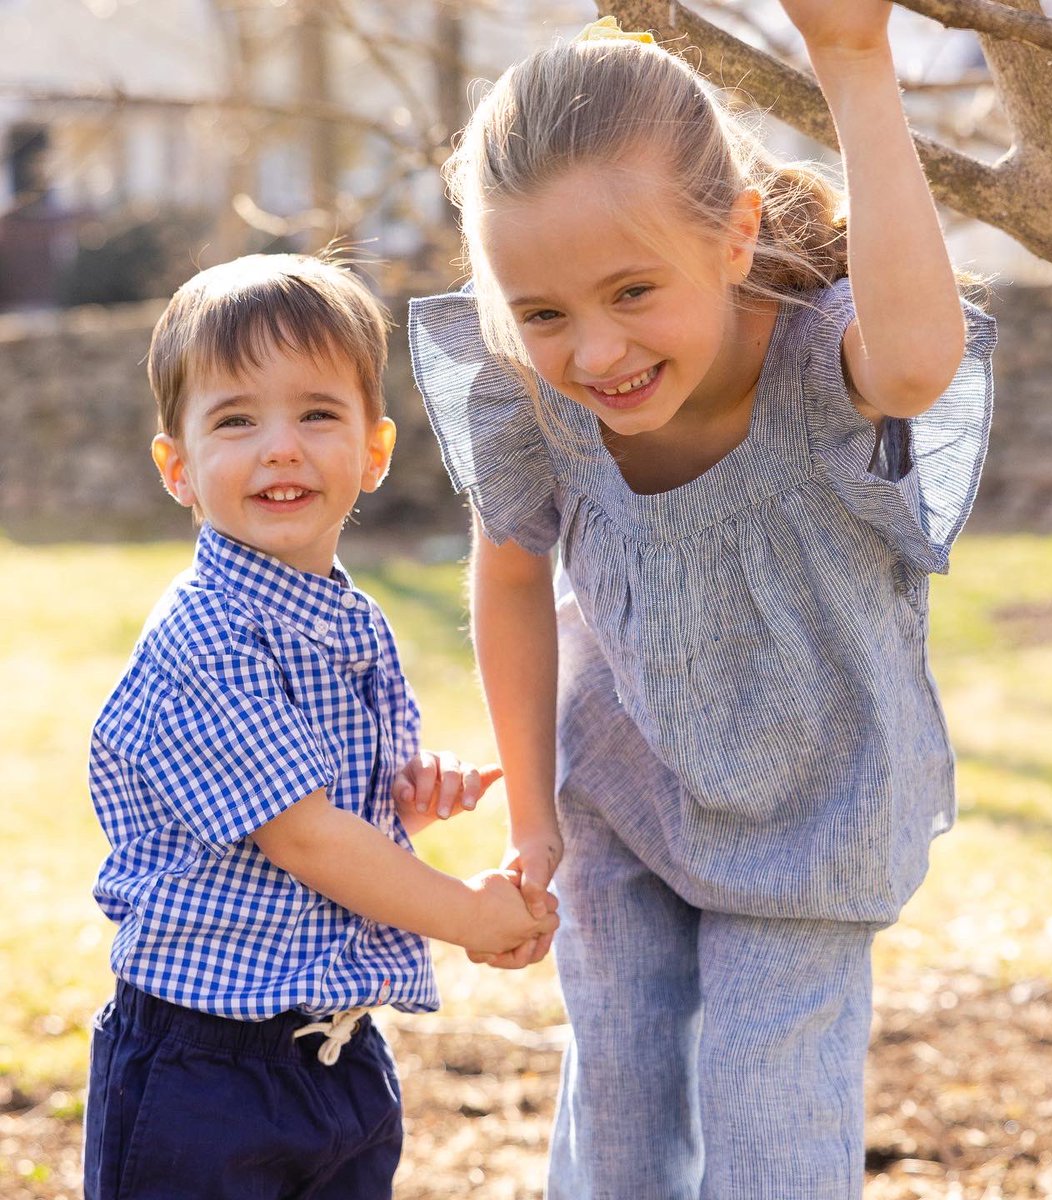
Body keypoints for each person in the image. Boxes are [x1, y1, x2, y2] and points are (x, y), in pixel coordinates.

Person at [410, 2, 997, 1195]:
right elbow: (515, 571)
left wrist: (853, 62)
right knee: (620, 1099)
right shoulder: (529, 397)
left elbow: (922, 360)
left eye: (633, 290)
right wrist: (535, 820)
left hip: (816, 807)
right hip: (621, 780)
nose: (592, 351)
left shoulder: (826, 364)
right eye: (542, 313)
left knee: (770, 1126)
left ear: (734, 236)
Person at [84, 251, 559, 1200]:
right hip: (203, 1066)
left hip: (333, 1054)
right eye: (235, 420)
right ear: (176, 468)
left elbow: (329, 829)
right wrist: (464, 914)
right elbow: (304, 838)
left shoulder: (348, 620)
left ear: (374, 452)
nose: (280, 448)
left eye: (316, 413)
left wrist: (404, 811)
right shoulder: (206, 637)